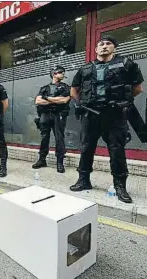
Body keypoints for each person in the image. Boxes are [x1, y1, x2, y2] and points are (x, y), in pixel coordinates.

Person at [69, 35, 144, 204]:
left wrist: (121, 103)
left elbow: (138, 88)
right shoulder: (85, 68)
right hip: (90, 115)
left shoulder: (126, 64)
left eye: (108, 43)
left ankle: (120, 186)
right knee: (86, 148)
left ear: (114, 48)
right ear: (95, 49)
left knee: (117, 150)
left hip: (114, 116)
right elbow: (74, 91)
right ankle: (83, 180)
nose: (104, 46)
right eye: (101, 44)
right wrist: (81, 104)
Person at [33, 65, 71, 173]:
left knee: (59, 138)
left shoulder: (66, 87)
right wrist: (55, 100)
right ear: (54, 74)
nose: (63, 74)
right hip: (45, 115)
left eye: (63, 72)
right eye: (61, 72)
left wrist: (48, 98)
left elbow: (64, 100)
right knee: (44, 138)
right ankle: (42, 160)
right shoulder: (44, 88)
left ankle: (60, 162)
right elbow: (38, 101)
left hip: (58, 115)